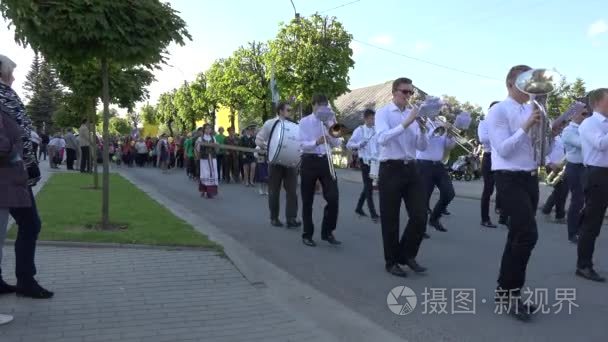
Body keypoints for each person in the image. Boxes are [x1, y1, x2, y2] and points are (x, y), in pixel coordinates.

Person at [487, 64, 544, 321]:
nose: (532, 88)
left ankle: (505, 291)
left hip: (530, 177)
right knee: (527, 235)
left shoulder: (530, 108)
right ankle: (511, 292)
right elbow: (503, 149)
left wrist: (548, 138)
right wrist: (525, 126)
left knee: (517, 236)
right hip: (508, 178)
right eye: (527, 83)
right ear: (512, 84)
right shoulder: (499, 110)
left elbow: (537, 145)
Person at [0, 53, 53, 299]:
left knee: (27, 223)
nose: (13, 77)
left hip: (12, 173)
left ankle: (12, 279)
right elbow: (18, 137)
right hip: (10, 174)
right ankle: (25, 280)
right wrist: (29, 164)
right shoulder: (5, 96)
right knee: (31, 223)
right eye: (11, 72)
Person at [375, 77, 429, 277]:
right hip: (390, 168)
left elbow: (421, 147)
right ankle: (391, 262)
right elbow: (382, 138)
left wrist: (423, 130)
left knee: (420, 215)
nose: (408, 96)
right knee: (390, 218)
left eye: (411, 92)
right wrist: (406, 123)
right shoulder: (383, 113)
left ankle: (406, 254)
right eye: (405, 91)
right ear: (394, 92)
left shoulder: (413, 116)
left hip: (411, 168)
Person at [298, 94, 341, 247]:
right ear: (314, 105)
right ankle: (307, 234)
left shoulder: (331, 120)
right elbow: (301, 145)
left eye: (326, 106)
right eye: (321, 105)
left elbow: (337, 143)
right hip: (309, 160)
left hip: (325, 160)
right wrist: (316, 142)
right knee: (307, 200)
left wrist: (331, 131)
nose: (324, 109)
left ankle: (327, 231)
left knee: (333, 198)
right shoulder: (304, 121)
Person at [576, 87, 608, 283]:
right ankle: (584, 265)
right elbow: (601, 144)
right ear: (597, 102)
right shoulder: (589, 123)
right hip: (597, 175)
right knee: (592, 223)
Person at [255, 102, 301, 228]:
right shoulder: (270, 123)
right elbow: (258, 139)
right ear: (281, 111)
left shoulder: (294, 125)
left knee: (292, 191)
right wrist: (269, 147)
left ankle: (291, 218)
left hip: (290, 163)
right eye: (288, 110)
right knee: (274, 191)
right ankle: (274, 218)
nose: (291, 112)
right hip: (275, 162)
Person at [416, 116, 456, 233]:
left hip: (438, 165)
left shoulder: (441, 124)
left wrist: (449, 132)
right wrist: (428, 131)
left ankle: (434, 218)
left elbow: (450, 146)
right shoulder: (420, 122)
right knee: (423, 199)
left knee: (449, 193)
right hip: (423, 165)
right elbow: (421, 145)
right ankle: (419, 228)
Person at [560, 99, 590, 243]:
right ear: (573, 115)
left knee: (589, 201)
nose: (586, 116)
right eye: (583, 114)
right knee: (577, 201)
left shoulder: (586, 128)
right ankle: (572, 233)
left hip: (586, 167)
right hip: (575, 167)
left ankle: (581, 228)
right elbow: (583, 144)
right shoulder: (568, 131)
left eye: (587, 114)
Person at [346, 108, 380, 222]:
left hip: (375, 162)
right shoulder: (359, 130)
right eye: (371, 118)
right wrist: (359, 144)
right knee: (369, 187)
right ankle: (373, 213)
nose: (373, 120)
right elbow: (349, 145)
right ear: (365, 119)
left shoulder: (376, 130)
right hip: (365, 162)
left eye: (374, 118)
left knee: (367, 186)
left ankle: (359, 208)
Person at [478, 101, 500, 228]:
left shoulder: (501, 123)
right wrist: (498, 134)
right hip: (489, 157)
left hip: (500, 157)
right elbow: (483, 139)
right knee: (488, 189)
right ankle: (485, 219)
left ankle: (502, 214)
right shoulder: (483, 123)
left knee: (504, 187)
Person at [541, 124, 568, 223]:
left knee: (561, 190)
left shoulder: (561, 138)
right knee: (562, 190)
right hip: (552, 166)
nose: (560, 128)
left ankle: (547, 208)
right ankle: (559, 216)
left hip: (561, 166)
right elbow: (542, 151)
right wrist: (549, 163)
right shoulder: (548, 138)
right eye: (558, 127)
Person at [195, 124, 219, 198]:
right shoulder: (200, 138)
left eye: (209, 128)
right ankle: (204, 190)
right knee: (205, 174)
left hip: (212, 158)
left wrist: (216, 146)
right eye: (207, 128)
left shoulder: (213, 138)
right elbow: (197, 149)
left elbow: (216, 150)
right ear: (204, 130)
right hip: (204, 159)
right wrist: (198, 156)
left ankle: (210, 192)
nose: (208, 130)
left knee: (213, 173)